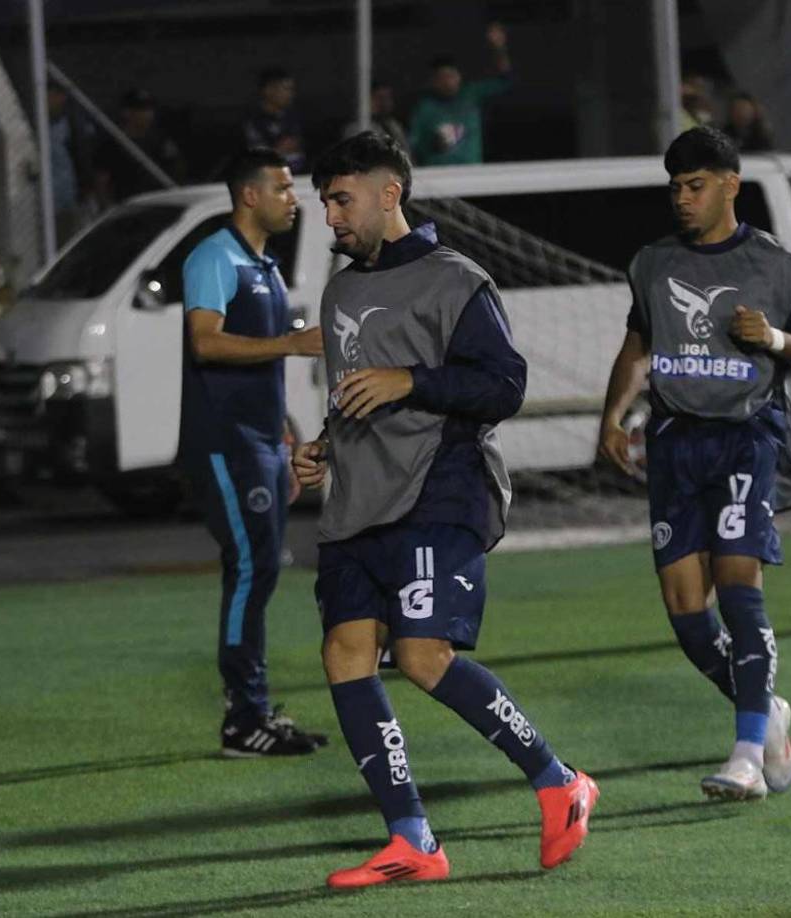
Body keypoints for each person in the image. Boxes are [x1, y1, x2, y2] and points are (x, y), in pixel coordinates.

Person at [293, 132, 597, 888]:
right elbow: (357, 390)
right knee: (344, 655)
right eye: (325, 199)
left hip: (441, 487)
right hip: (358, 498)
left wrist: (411, 382)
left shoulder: (456, 279)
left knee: (423, 655)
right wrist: (325, 447)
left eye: (341, 198)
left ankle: (559, 782)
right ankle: (412, 840)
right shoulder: (339, 292)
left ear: (388, 194)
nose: (330, 214)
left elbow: (502, 386)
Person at [598, 126, 791, 801]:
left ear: (730, 184)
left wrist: (776, 337)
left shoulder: (776, 265)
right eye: (674, 187)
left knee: (737, 583)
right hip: (674, 441)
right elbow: (636, 344)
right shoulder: (654, 263)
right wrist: (611, 416)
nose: (682, 198)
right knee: (685, 613)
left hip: (744, 437)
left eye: (694, 186)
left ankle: (746, 755)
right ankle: (767, 712)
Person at [179, 147, 327, 757]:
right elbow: (206, 344)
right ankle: (244, 718)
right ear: (250, 195)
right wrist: (293, 344)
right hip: (223, 444)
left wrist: (285, 437)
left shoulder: (263, 268)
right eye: (285, 188)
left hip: (260, 442)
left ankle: (254, 709)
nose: (295, 200)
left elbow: (262, 364)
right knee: (250, 567)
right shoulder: (216, 256)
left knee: (262, 567)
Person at [408, 22, 511, 166]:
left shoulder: (471, 95)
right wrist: (432, 145)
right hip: (440, 176)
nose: (447, 82)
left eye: (451, 76)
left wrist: (499, 48)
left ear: (459, 77)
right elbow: (412, 146)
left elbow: (505, 81)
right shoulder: (425, 108)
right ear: (433, 82)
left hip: (470, 173)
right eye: (441, 78)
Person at [93, 89, 185, 207]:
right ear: (126, 112)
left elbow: (177, 169)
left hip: (159, 202)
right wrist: (107, 206)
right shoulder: (112, 143)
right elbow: (101, 180)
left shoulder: (160, 140)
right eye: (142, 110)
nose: (148, 114)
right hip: (129, 205)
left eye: (149, 109)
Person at [46, 79, 95, 244]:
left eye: (58, 95)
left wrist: (85, 189)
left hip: (69, 195)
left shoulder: (72, 124)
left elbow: (82, 158)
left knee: (70, 239)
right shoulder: (39, 124)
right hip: (48, 197)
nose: (54, 99)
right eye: (51, 94)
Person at [243, 68, 306, 173]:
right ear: (268, 90)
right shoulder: (253, 120)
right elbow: (255, 154)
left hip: (297, 171)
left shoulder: (293, 116)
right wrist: (277, 150)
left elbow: (298, 144)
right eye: (286, 89)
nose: (290, 94)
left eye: (291, 90)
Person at [342, 81, 408, 151]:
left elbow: (406, 153)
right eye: (380, 98)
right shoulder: (357, 127)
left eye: (388, 98)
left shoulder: (394, 125)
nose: (385, 103)